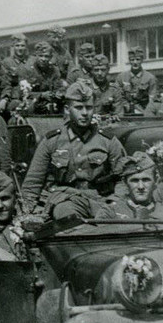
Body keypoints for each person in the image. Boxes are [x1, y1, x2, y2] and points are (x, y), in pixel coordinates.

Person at [21, 81, 126, 220]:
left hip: (100, 200)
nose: (84, 113)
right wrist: (26, 214)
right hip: (64, 199)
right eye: (78, 108)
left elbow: (124, 177)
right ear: (67, 109)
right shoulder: (52, 141)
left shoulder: (108, 141)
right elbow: (33, 182)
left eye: (89, 108)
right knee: (67, 216)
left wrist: (116, 201)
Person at [97, 152, 163, 219]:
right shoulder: (110, 212)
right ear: (125, 183)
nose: (141, 187)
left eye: (146, 180)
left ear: (156, 181)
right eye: (134, 181)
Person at [24, 41, 66, 114]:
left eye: (46, 56)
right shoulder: (28, 69)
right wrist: (42, 95)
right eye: (40, 56)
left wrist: (58, 93)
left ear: (50, 57)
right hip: (33, 102)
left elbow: (58, 87)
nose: (43, 59)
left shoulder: (54, 70)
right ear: (36, 56)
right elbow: (24, 93)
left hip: (50, 102)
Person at [117, 46, 157, 114]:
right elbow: (117, 97)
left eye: (138, 59)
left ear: (142, 60)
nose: (135, 62)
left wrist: (147, 113)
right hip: (125, 111)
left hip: (143, 111)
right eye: (132, 60)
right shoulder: (121, 77)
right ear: (129, 61)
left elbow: (152, 99)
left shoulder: (150, 78)